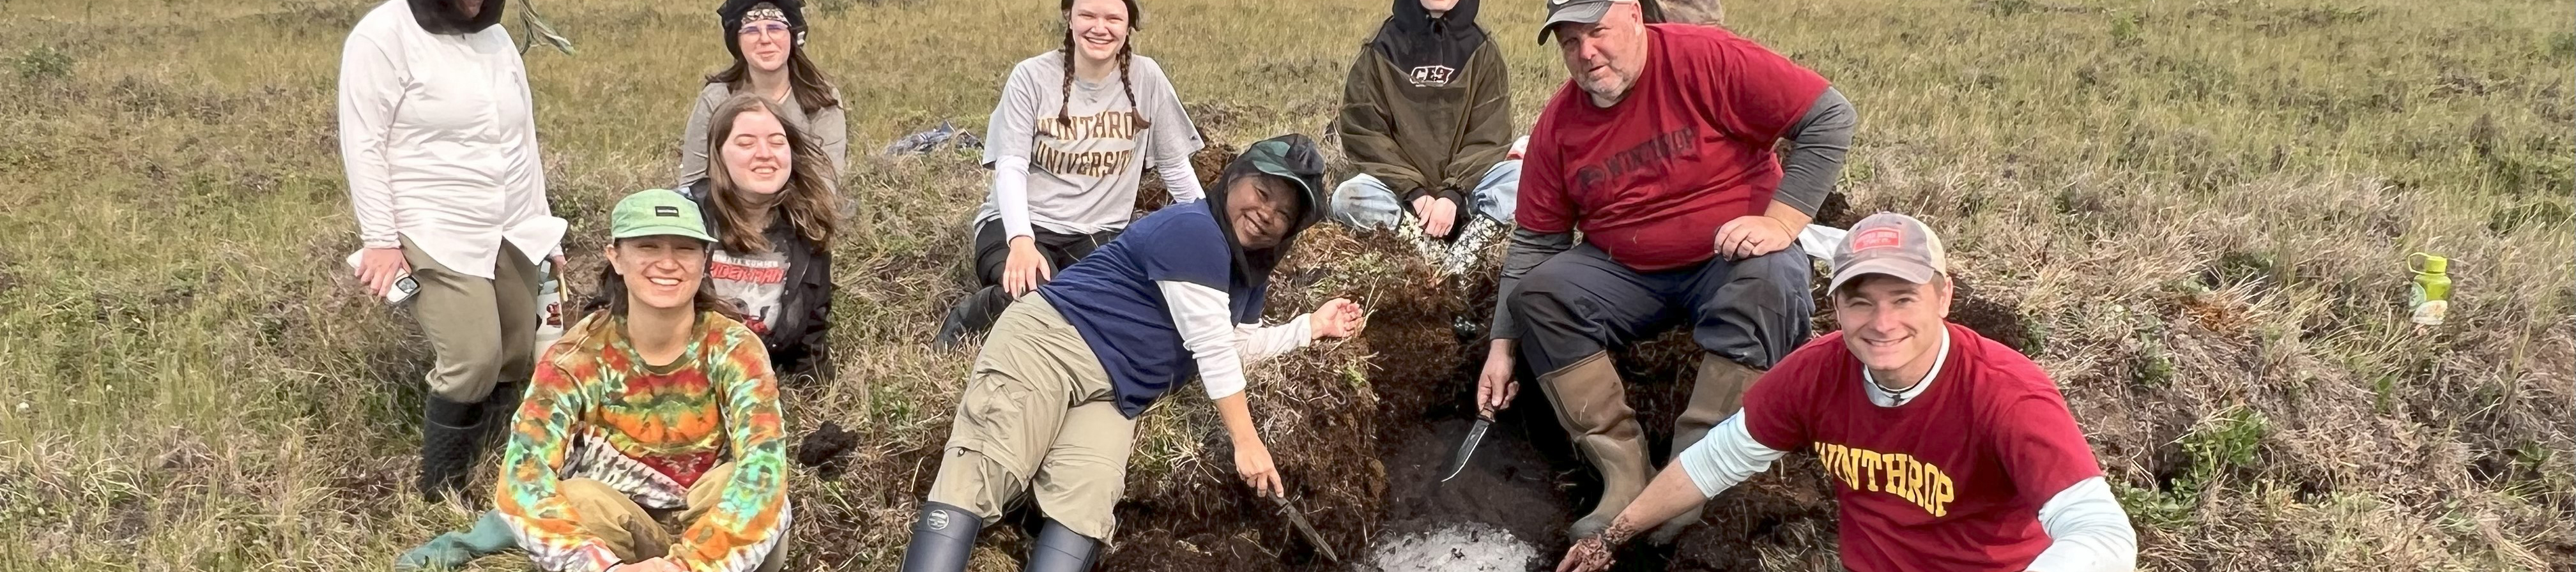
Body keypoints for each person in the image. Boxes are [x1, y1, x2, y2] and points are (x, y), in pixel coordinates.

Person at [1471, 0, 1860, 543]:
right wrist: (1501, 347)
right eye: (1569, 42)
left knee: (1772, 277)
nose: (1586, 53)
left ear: (1633, 14)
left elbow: (1830, 116)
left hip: (1730, 257)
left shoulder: (1706, 59)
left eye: (1597, 31)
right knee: (1540, 294)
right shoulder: (1559, 126)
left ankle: (1695, 474)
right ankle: (1625, 476)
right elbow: (1537, 240)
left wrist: (1782, 222)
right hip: (1627, 273)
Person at [1553, 213, 2138, 572]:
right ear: (1835, 307)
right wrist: (1613, 536)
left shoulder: (2005, 394)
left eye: (1903, 298)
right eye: (1861, 300)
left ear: (1943, 298)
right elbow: (1716, 460)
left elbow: (2101, 533)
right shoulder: (1817, 373)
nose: (1881, 322)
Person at [898, 135, 1363, 572]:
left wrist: (1310, 327)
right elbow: (1212, 350)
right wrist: (1247, 441)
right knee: (987, 467)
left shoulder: (1249, 277)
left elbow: (1236, 346)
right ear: (1233, 180)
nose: (1266, 214)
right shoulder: (1195, 232)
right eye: (1261, 193)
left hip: (1116, 392)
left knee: (1087, 502)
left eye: (1283, 213)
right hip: (1051, 345)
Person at [339, 0, 567, 503]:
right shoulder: (383, 35)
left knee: (513, 349)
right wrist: (380, 240)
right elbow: (364, 141)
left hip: (508, 218)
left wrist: (541, 224)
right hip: (433, 221)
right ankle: (442, 488)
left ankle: (497, 460)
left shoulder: (497, 39)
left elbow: (521, 141)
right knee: (473, 357)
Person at [494, 189, 792, 572]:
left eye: (685, 249)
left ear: (705, 261)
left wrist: (686, 567)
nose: (667, 263)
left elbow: (765, 466)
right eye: (648, 247)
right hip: (621, 537)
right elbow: (523, 475)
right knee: (579, 498)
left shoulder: (735, 348)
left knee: (741, 484)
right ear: (615, 257)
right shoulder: (578, 357)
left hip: (710, 538)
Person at [931, 0, 1209, 348]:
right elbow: (1011, 165)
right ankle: (973, 314)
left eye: (1113, 18)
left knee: (1129, 306)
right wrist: (1021, 241)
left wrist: (1212, 234)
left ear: (1129, 25)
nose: (1100, 27)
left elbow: (1173, 164)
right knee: (1038, 297)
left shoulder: (1147, 78)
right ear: (1069, 17)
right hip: (1020, 224)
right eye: (1088, 15)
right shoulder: (1031, 77)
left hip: (1098, 233)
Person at [1330, 0, 1518, 266]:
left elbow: (1489, 136)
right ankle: (1423, 247)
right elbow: (1366, 133)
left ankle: (1464, 256)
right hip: (1401, 195)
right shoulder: (1381, 49)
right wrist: (1415, 193)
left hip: (1467, 190)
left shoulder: (1483, 49)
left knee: (1521, 179)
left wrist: (1453, 194)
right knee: (1348, 197)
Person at [684, 93, 839, 384]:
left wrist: (815, 400)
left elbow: (811, 341)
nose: (765, 153)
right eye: (745, 143)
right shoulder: (683, 220)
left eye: (778, 142)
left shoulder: (808, 228)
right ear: (718, 154)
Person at [678, 0, 848, 191]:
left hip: (801, 212)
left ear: (793, 38)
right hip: (727, 212)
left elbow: (826, 183)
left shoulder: (821, 97)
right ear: (737, 42)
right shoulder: (717, 98)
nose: (765, 39)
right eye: (751, 31)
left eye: (775, 28)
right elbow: (693, 183)